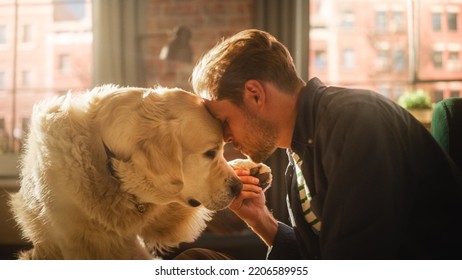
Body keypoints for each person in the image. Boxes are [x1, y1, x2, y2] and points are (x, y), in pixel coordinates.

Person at [190, 29, 462, 259]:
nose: (225, 137)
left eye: (224, 120)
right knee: (196, 261)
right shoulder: (298, 153)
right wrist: (261, 219)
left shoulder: (355, 121)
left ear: (255, 95)